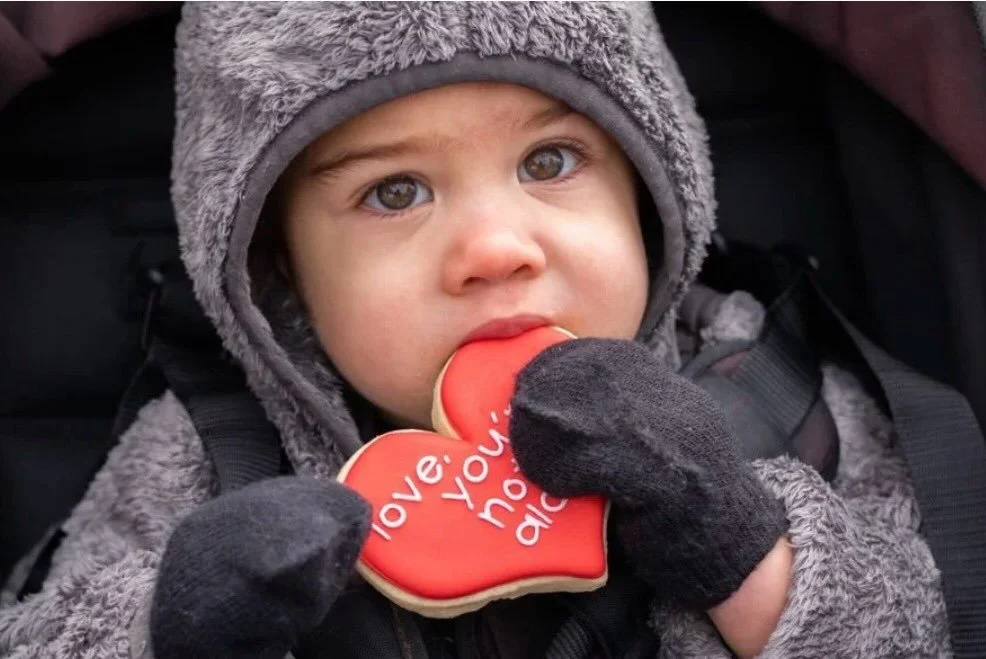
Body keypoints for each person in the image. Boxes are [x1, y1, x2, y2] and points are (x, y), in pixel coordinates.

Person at [0, 4, 951, 658]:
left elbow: (925, 621)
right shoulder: (213, 447)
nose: (495, 249)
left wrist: (742, 545)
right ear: (278, 268)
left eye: (550, 159)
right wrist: (175, 619)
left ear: (651, 190)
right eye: (394, 192)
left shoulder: (765, 388)